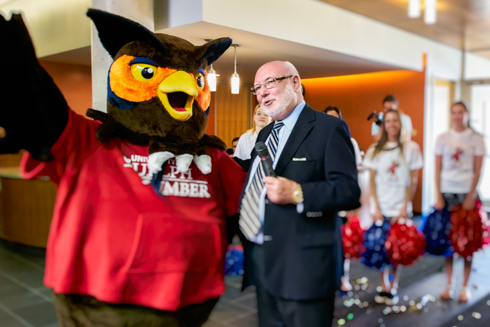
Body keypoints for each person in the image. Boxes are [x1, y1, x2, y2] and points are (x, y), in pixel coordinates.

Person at [238, 61, 360, 327]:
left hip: (305, 266)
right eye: (257, 88)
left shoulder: (329, 129)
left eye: (270, 82)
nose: (262, 93)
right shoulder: (266, 134)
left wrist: (299, 192)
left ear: (295, 82)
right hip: (265, 261)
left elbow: (349, 191)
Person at [363, 109, 423, 305]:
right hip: (381, 207)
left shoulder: (411, 149)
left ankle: (393, 285)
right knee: (381, 249)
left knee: (398, 250)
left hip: (399, 208)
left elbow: (413, 181)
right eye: (388, 121)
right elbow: (371, 181)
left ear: (401, 123)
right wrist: (376, 207)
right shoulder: (374, 150)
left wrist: (406, 205)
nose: (391, 124)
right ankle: (383, 286)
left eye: (395, 120)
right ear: (384, 124)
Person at [434, 101, 485, 302]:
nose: (457, 116)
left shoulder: (476, 139)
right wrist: (437, 195)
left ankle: (464, 286)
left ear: (467, 114)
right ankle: (449, 284)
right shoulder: (442, 138)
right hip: (447, 194)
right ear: (450, 115)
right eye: (454, 112)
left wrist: (471, 195)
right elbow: (437, 168)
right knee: (448, 242)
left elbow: (478, 169)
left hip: (467, 195)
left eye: (460, 112)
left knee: (467, 244)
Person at [324, 105, 363, 292]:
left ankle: (343, 276)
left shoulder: (350, 142)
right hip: (323, 199)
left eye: (335, 118)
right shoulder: (318, 139)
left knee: (342, 242)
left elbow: (353, 173)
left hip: (340, 199)